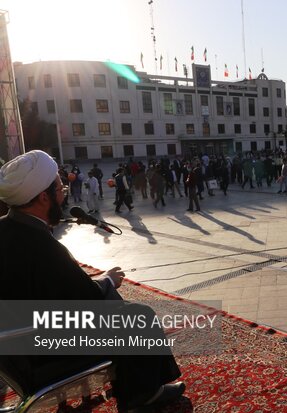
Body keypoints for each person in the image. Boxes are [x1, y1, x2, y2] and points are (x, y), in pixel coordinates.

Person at [0, 150, 185, 413]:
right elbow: (88, 300)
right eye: (60, 188)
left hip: (13, 349)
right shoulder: (41, 245)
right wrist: (107, 281)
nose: (63, 193)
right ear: (43, 197)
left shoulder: (7, 229)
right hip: (40, 351)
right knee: (138, 316)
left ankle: (141, 386)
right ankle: (141, 395)